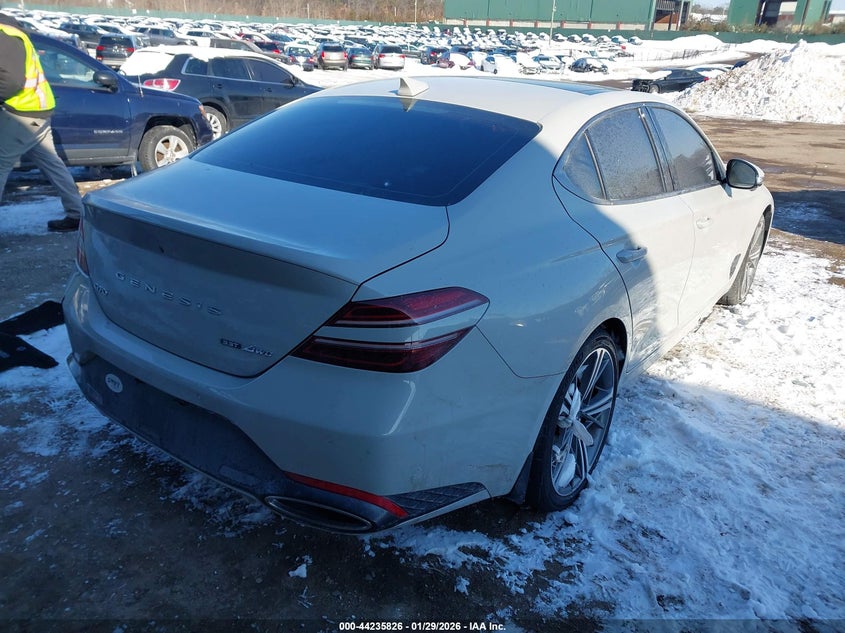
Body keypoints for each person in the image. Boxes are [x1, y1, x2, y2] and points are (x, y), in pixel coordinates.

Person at [0, 11, 83, 232]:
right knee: (52, 164)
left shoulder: (5, 35)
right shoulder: (14, 33)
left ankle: (77, 213)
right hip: (37, 111)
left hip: (22, 113)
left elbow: (11, 82)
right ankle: (77, 213)